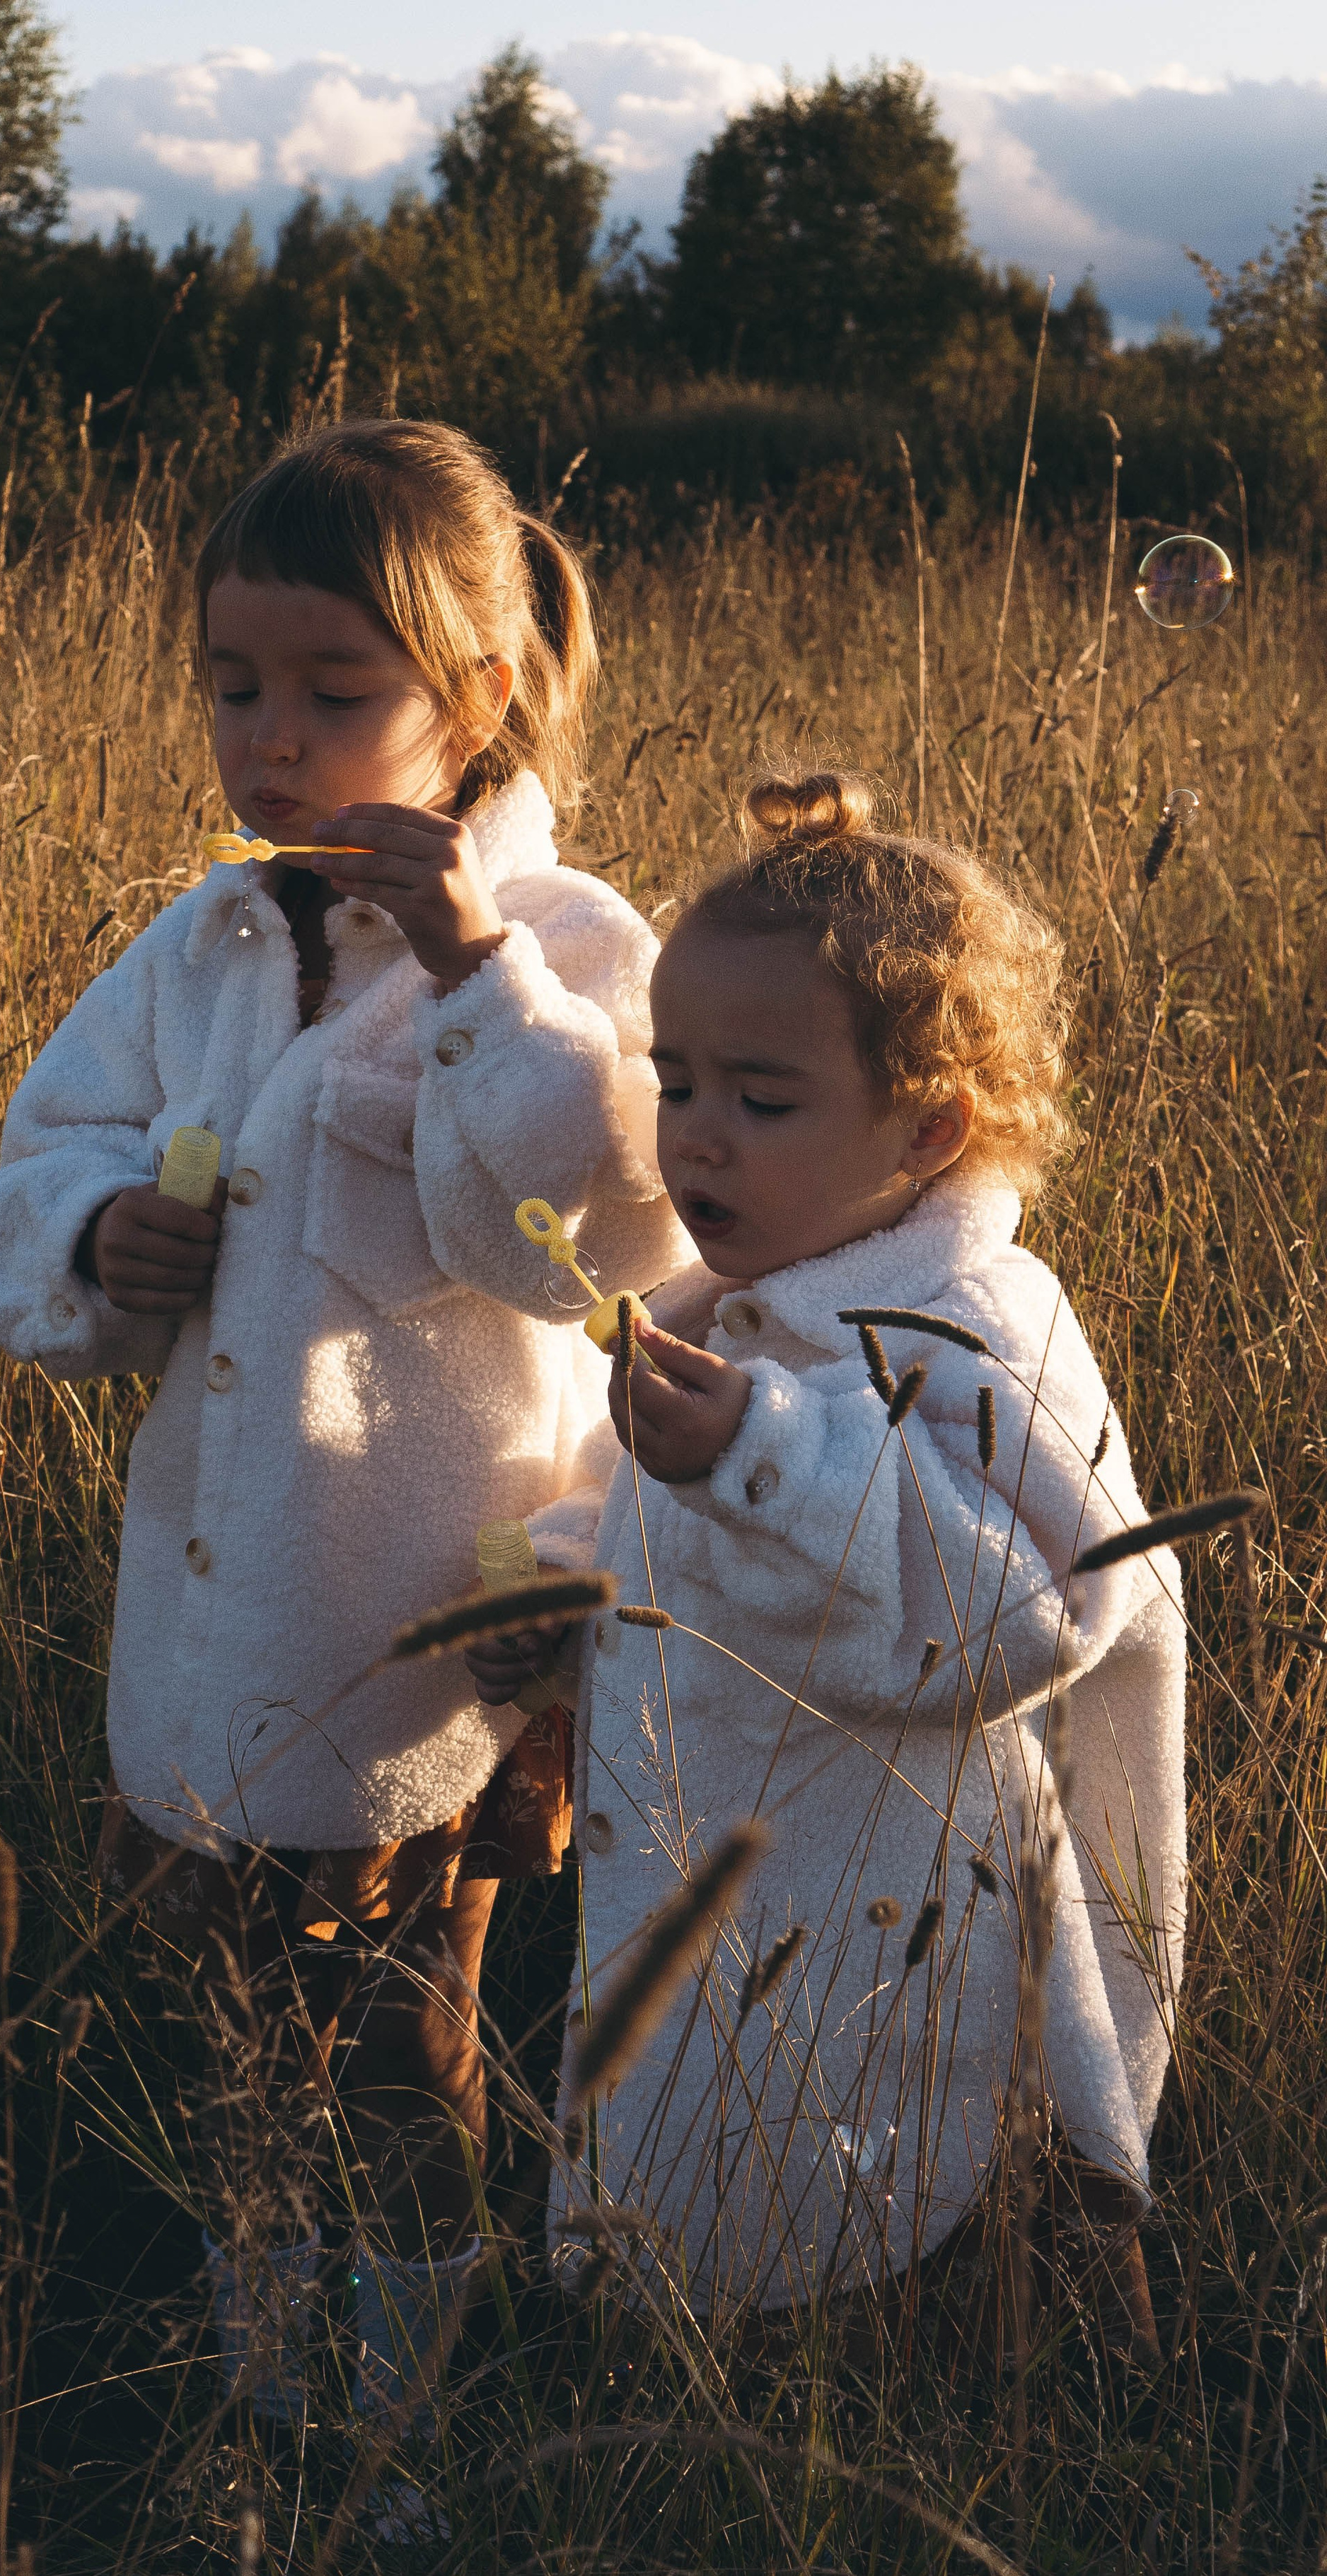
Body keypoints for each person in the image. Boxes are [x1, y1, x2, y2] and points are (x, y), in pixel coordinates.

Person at [0, 418, 681, 2435]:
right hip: (216, 1617)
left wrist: (471, 971)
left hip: (411, 1630)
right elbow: (37, 1155)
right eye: (233, 685)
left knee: (400, 2040)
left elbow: (593, 1234)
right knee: (239, 2042)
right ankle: (276, 2401)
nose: (269, 739)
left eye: (334, 694)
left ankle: (405, 2445)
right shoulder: (203, 946)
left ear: (484, 698)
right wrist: (101, 1232)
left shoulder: (576, 947)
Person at [470, 771, 1185, 2363]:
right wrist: (567, 1598)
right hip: (719, 1879)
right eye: (676, 1080)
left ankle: (997, 2469)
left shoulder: (970, 1328)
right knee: (730, 2178)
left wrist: (761, 1455)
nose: (695, 1136)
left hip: (906, 1916)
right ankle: (716, 2447)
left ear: (926, 1127)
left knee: (923, 2241)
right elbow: (655, 1522)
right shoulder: (744, 1303)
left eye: (761, 1099)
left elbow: (1039, 1609)